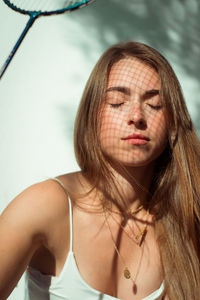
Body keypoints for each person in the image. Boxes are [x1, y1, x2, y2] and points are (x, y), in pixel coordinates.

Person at [0, 41, 200, 300]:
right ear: (92, 116)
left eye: (155, 104)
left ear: (173, 123)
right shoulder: (45, 204)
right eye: (117, 102)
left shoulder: (186, 218)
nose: (137, 116)